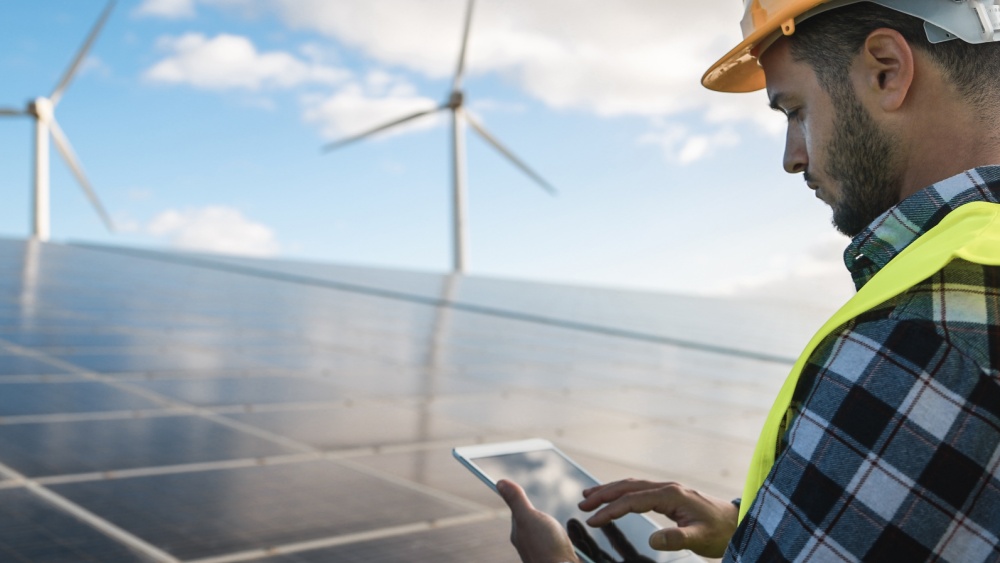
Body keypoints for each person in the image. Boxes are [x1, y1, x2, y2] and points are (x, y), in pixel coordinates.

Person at [498, 1, 1000, 561]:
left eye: (794, 109)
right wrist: (752, 523)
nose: (792, 157)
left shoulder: (924, 333)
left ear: (887, 69)